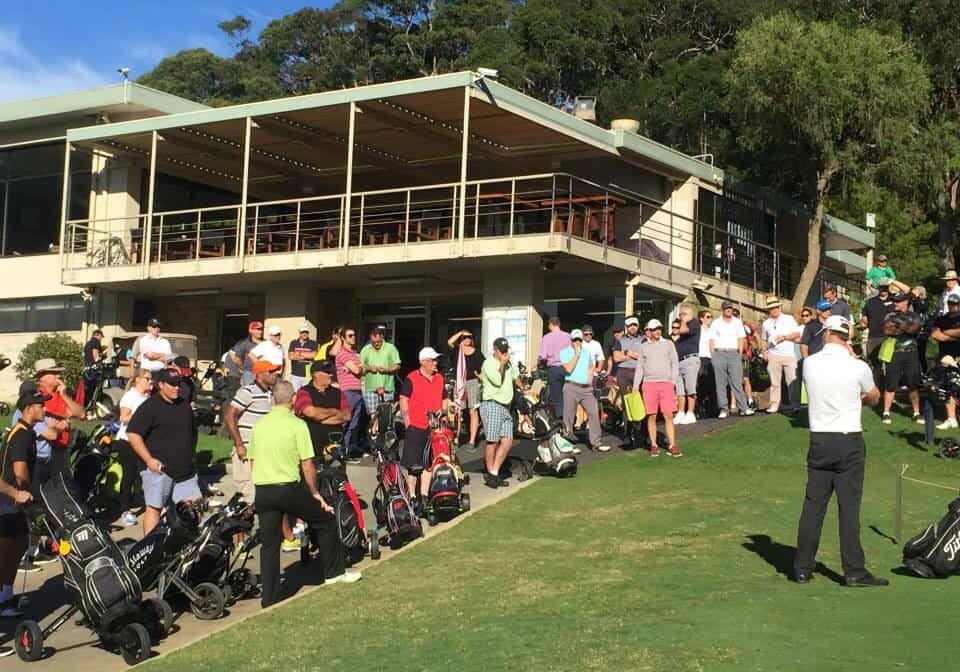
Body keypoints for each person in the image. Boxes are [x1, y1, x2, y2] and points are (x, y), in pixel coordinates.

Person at [793, 314, 887, 587]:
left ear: (825, 333)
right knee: (849, 509)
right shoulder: (857, 366)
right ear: (848, 337)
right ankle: (854, 571)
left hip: (820, 439)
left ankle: (802, 567)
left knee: (813, 506)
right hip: (849, 439)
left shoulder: (809, 363)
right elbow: (874, 396)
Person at [249, 380, 359, 608]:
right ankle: (334, 573)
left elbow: (253, 460)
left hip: (264, 489)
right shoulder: (297, 424)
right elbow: (307, 464)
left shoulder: (259, 425)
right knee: (326, 520)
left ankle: (268, 599)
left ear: (272, 400)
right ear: (292, 400)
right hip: (287, 487)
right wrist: (315, 493)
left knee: (270, 544)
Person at [126, 368, 201, 535]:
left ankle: (186, 549)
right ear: (160, 385)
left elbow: (192, 434)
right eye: (172, 384)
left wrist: (192, 457)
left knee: (194, 509)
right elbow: (133, 434)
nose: (176, 388)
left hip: (185, 472)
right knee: (154, 509)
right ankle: (151, 548)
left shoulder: (184, 406)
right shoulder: (150, 406)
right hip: (158, 471)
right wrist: (149, 460)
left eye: (178, 384)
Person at [0, 390, 45, 617]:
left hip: (12, 500)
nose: (44, 409)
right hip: (9, 501)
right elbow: (19, 470)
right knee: (7, 550)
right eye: (40, 405)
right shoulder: (22, 435)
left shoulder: (25, 431)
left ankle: (6, 596)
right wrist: (26, 493)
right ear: (28, 409)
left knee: (17, 546)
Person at [224, 361, 277, 512]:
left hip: (263, 453)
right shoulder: (247, 391)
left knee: (262, 498)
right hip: (246, 450)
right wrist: (239, 445)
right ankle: (238, 532)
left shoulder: (271, 394)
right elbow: (229, 416)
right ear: (260, 374)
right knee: (248, 498)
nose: (275, 374)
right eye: (271, 372)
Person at [399, 347, 448, 498]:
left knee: (429, 463)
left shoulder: (439, 378)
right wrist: (408, 422)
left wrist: (444, 411)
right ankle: (412, 495)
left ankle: (424, 494)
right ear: (423, 362)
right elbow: (403, 399)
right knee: (414, 465)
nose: (436, 363)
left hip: (434, 428)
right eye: (433, 360)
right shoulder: (412, 378)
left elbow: (445, 398)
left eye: (436, 360)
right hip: (417, 425)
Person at [34, 358, 85, 484]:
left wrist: (64, 395)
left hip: (62, 448)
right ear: (42, 377)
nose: (58, 376)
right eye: (53, 373)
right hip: (46, 450)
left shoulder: (60, 394)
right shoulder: (37, 396)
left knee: (64, 484)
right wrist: (64, 417)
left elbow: (81, 414)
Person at [634, 319, 680, 457]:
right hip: (649, 384)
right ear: (649, 331)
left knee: (668, 415)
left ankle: (672, 444)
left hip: (666, 383)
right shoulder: (644, 347)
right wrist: (636, 386)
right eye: (654, 329)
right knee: (651, 415)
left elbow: (675, 364)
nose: (657, 331)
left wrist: (672, 382)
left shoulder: (668, 344)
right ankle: (654, 445)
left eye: (659, 328)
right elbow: (640, 367)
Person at [478, 337, 520, 488]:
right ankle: (490, 474)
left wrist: (525, 389)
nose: (504, 353)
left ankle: (494, 471)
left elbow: (515, 376)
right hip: (492, 404)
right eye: (501, 351)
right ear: (495, 350)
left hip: (506, 406)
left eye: (506, 350)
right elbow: (497, 380)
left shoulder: (508, 363)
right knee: (493, 441)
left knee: (507, 440)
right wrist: (502, 364)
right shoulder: (488, 363)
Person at [115, 368, 153, 527]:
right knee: (129, 475)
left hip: (143, 442)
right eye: (147, 379)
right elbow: (123, 417)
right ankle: (125, 510)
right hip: (126, 441)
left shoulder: (148, 397)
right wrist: (141, 414)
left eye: (151, 379)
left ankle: (153, 506)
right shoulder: (130, 396)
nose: (150, 382)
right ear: (137, 379)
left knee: (148, 474)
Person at [560, 329, 607, 452]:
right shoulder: (564, 352)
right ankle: (568, 443)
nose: (577, 342)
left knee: (594, 413)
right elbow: (569, 369)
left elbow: (591, 367)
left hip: (586, 389)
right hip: (571, 386)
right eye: (575, 340)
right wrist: (576, 354)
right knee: (568, 416)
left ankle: (596, 442)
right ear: (571, 340)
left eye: (579, 340)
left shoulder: (586, 352)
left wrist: (590, 380)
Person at [880, 292, 923, 425]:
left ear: (906, 302)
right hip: (894, 352)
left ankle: (916, 412)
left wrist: (899, 325)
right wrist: (905, 327)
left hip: (911, 353)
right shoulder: (890, 315)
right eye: (894, 301)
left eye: (898, 301)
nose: (895, 303)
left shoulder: (914, 315)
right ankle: (886, 412)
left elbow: (914, 329)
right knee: (891, 383)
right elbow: (888, 330)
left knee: (913, 383)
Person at [709, 301, 754, 419]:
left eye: (730, 308)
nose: (728, 310)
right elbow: (712, 340)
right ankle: (724, 409)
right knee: (720, 384)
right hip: (719, 353)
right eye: (726, 308)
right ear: (722, 310)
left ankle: (743, 408)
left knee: (737, 382)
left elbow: (741, 339)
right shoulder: (715, 323)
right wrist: (713, 355)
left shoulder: (737, 322)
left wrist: (739, 354)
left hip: (733, 353)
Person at [759, 296, 802, 414]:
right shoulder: (766, 323)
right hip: (773, 355)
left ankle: (795, 404)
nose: (774, 310)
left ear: (779, 307)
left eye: (776, 307)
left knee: (792, 381)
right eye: (771, 308)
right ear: (769, 310)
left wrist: (785, 337)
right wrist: (764, 351)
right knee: (774, 382)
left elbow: (797, 333)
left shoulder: (789, 319)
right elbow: (763, 339)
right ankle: (774, 405)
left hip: (789, 354)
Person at [294, 360, 346, 455]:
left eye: (331, 372)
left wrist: (317, 420)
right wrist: (335, 412)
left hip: (335, 447)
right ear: (315, 374)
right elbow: (310, 412)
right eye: (327, 372)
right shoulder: (304, 392)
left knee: (338, 469)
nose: (331, 375)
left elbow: (346, 415)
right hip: (311, 448)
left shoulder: (338, 392)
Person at [447, 329, 485, 451]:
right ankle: (456, 438)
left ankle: (472, 441)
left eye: (469, 337)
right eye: (465, 337)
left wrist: (480, 376)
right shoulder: (458, 350)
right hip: (459, 383)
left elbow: (484, 369)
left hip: (473, 383)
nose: (467, 339)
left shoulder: (477, 353)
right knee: (458, 411)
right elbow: (449, 342)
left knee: (473, 411)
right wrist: (460, 333)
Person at [360, 324, 401, 427]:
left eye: (378, 342)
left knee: (386, 416)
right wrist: (369, 368)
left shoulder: (390, 348)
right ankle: (375, 436)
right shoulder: (366, 349)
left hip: (387, 387)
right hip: (370, 388)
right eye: (373, 342)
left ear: (382, 337)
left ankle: (385, 436)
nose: (376, 344)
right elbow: (360, 367)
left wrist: (386, 369)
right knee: (373, 416)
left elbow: (397, 365)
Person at [336, 327, 366, 459]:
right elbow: (358, 370)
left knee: (354, 424)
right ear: (343, 338)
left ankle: (347, 451)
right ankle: (339, 451)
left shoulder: (354, 353)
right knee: (345, 422)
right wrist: (357, 368)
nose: (353, 337)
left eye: (354, 335)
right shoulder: (342, 353)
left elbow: (363, 369)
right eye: (350, 335)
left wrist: (357, 368)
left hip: (358, 391)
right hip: (347, 392)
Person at [931, 295, 960, 430]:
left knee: (957, 387)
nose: (952, 306)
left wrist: (946, 334)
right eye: (950, 303)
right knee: (947, 387)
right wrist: (953, 336)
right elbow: (936, 335)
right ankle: (951, 418)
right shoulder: (941, 319)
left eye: (955, 304)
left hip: (958, 356)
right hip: (945, 357)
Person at [538, 316, 572, 419]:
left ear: (551, 325)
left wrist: (538, 363)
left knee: (557, 398)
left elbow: (543, 356)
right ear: (559, 324)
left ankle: (559, 419)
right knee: (568, 395)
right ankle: (570, 419)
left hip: (554, 369)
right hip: (568, 368)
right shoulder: (568, 336)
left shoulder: (546, 337)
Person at [674, 305, 701, 425]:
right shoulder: (683, 325)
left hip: (690, 359)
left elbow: (683, 331)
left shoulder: (694, 323)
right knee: (680, 390)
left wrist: (684, 321)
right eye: (680, 314)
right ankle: (680, 412)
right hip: (679, 361)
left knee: (690, 388)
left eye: (683, 314)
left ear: (690, 314)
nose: (681, 317)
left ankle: (690, 412)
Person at [860, 279, 894, 365]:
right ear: (878, 288)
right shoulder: (870, 302)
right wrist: (863, 323)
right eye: (882, 287)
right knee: (874, 364)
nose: (884, 289)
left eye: (886, 287)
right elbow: (864, 318)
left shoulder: (894, 301)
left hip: (890, 338)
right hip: (873, 337)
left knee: (891, 365)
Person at [611, 316, 643, 392]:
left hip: (638, 371)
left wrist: (626, 353)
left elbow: (645, 357)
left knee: (639, 398)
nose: (632, 327)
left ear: (638, 326)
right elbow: (616, 358)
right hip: (623, 372)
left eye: (634, 325)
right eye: (630, 325)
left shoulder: (643, 340)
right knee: (625, 398)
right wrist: (634, 354)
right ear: (626, 327)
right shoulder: (619, 340)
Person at [695, 310, 717, 418]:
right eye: (708, 317)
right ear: (701, 318)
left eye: (711, 317)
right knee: (700, 385)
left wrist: (715, 358)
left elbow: (712, 345)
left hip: (709, 359)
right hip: (700, 358)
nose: (710, 319)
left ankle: (711, 409)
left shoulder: (712, 331)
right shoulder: (698, 330)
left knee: (711, 385)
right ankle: (699, 408)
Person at [229, 321, 264, 386]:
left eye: (261, 329)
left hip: (263, 373)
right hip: (249, 373)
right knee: (249, 393)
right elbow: (234, 356)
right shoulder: (244, 343)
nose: (260, 331)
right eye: (258, 329)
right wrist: (243, 368)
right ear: (251, 330)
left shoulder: (265, 343)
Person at [287, 324, 318, 391]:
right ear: (300, 333)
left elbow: (313, 355)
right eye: (303, 332)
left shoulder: (313, 343)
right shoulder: (294, 342)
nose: (304, 334)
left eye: (306, 332)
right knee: (294, 394)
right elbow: (291, 356)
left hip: (307, 375)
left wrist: (299, 353)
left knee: (307, 394)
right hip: (295, 375)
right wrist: (307, 355)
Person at [82, 328, 105, 402]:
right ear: (98, 335)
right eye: (101, 337)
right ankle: (94, 404)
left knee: (88, 389)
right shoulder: (96, 342)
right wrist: (99, 362)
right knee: (95, 389)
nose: (101, 339)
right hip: (93, 369)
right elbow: (95, 354)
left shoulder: (88, 343)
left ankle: (87, 404)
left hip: (86, 368)